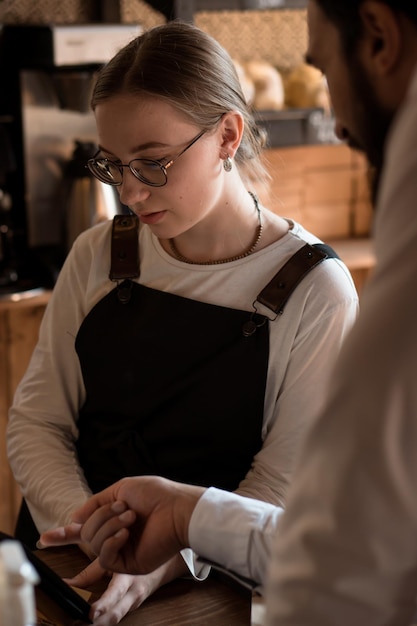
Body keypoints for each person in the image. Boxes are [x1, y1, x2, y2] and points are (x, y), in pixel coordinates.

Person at [40, 2, 417, 625]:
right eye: (111, 164)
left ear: (227, 136)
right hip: (72, 570)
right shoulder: (99, 253)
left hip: (201, 596)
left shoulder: (317, 290)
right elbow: (37, 423)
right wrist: (92, 531)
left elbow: (286, 490)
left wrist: (168, 554)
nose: (129, 193)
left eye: (154, 161)